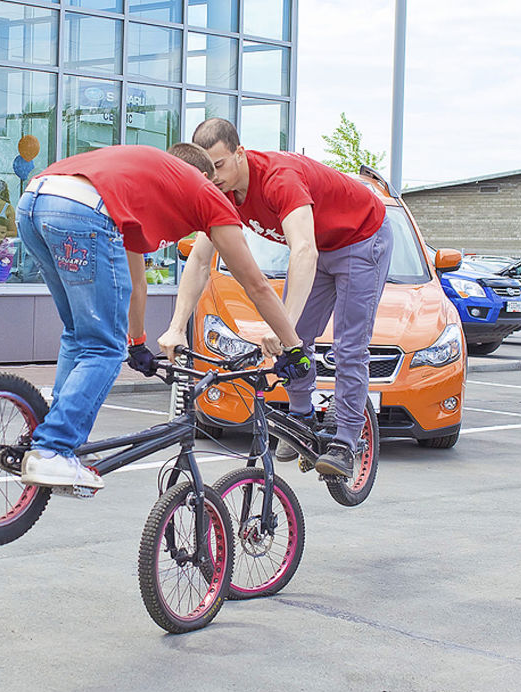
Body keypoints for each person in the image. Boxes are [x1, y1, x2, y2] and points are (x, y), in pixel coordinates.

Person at [15, 143, 309, 490]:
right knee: (104, 347)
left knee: (79, 334)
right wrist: (293, 346)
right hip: (82, 209)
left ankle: (56, 441)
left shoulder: (141, 183)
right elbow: (256, 284)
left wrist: (137, 342)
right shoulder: (204, 190)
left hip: (34, 201)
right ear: (204, 176)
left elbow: (136, 282)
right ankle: (53, 449)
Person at [159, 118, 393, 478]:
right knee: (297, 339)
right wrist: (176, 326)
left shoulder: (279, 178)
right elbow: (201, 259)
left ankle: (346, 443)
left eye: (220, 165)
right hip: (322, 248)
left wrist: (285, 326)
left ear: (240, 153)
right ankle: (300, 417)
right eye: (208, 169)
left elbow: (304, 250)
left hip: (362, 239)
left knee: (347, 346)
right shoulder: (221, 192)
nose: (214, 177)